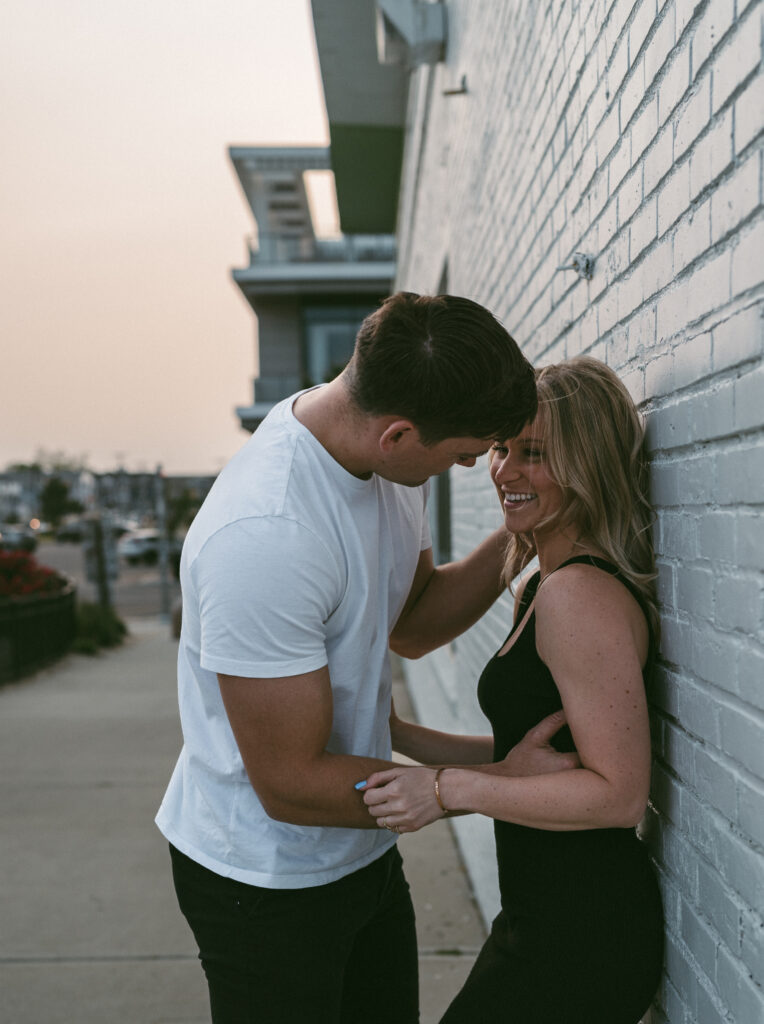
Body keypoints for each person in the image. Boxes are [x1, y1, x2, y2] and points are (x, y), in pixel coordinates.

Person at [155, 292, 574, 1024]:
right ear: (398, 435)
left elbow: (411, 624)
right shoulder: (265, 536)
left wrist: (527, 533)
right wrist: (491, 783)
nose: (473, 467)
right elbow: (290, 782)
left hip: (361, 849)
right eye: (464, 455)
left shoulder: (378, 453)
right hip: (261, 881)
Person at [359, 356, 665, 1023]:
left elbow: (619, 795)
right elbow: (528, 757)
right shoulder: (538, 582)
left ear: (589, 462)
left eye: (534, 454)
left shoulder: (579, 595)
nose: (502, 470)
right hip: (541, 920)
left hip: (583, 940)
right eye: (501, 448)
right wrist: (405, 738)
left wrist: (444, 790)